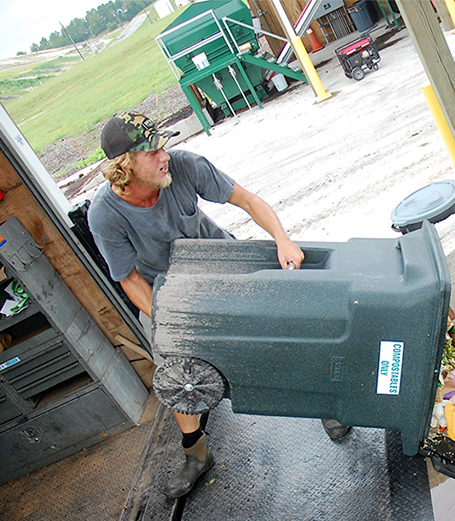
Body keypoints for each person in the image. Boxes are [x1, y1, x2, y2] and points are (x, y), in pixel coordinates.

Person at [89, 111, 347, 498]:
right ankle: (196, 455)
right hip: (167, 289)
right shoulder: (105, 215)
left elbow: (245, 199)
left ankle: (323, 403)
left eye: (163, 145)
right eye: (152, 151)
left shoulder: (185, 166)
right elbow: (130, 280)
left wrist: (282, 239)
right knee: (175, 370)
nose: (164, 155)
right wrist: (174, 323)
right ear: (124, 166)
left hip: (221, 262)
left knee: (278, 331)